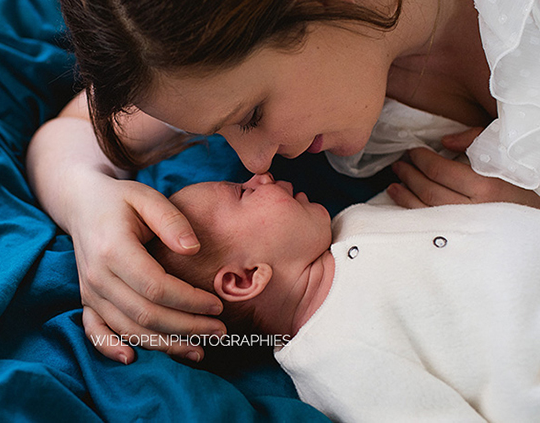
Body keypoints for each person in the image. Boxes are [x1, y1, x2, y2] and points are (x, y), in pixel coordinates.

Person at [26, 0, 540, 364]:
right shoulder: (197, 52)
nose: (256, 163)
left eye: (252, 115)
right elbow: (69, 136)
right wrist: (87, 207)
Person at [148, 173, 540, 422]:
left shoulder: (352, 219)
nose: (261, 176)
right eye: (243, 193)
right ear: (245, 279)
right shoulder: (335, 359)